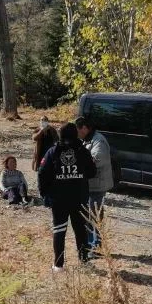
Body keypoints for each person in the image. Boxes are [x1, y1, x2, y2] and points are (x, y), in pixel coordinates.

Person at [38, 123, 96, 271]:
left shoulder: (53, 151)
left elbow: (42, 173)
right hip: (79, 199)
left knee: (59, 230)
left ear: (61, 134)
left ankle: (58, 266)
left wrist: (45, 194)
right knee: (80, 231)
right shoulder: (82, 151)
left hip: (59, 201)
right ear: (75, 134)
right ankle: (84, 262)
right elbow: (92, 172)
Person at [75, 116, 114, 257]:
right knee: (88, 215)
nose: (77, 134)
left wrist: (79, 164)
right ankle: (90, 244)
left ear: (85, 128)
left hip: (97, 185)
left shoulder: (99, 141)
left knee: (95, 216)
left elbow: (97, 160)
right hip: (89, 185)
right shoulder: (86, 140)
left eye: (78, 130)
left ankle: (97, 247)